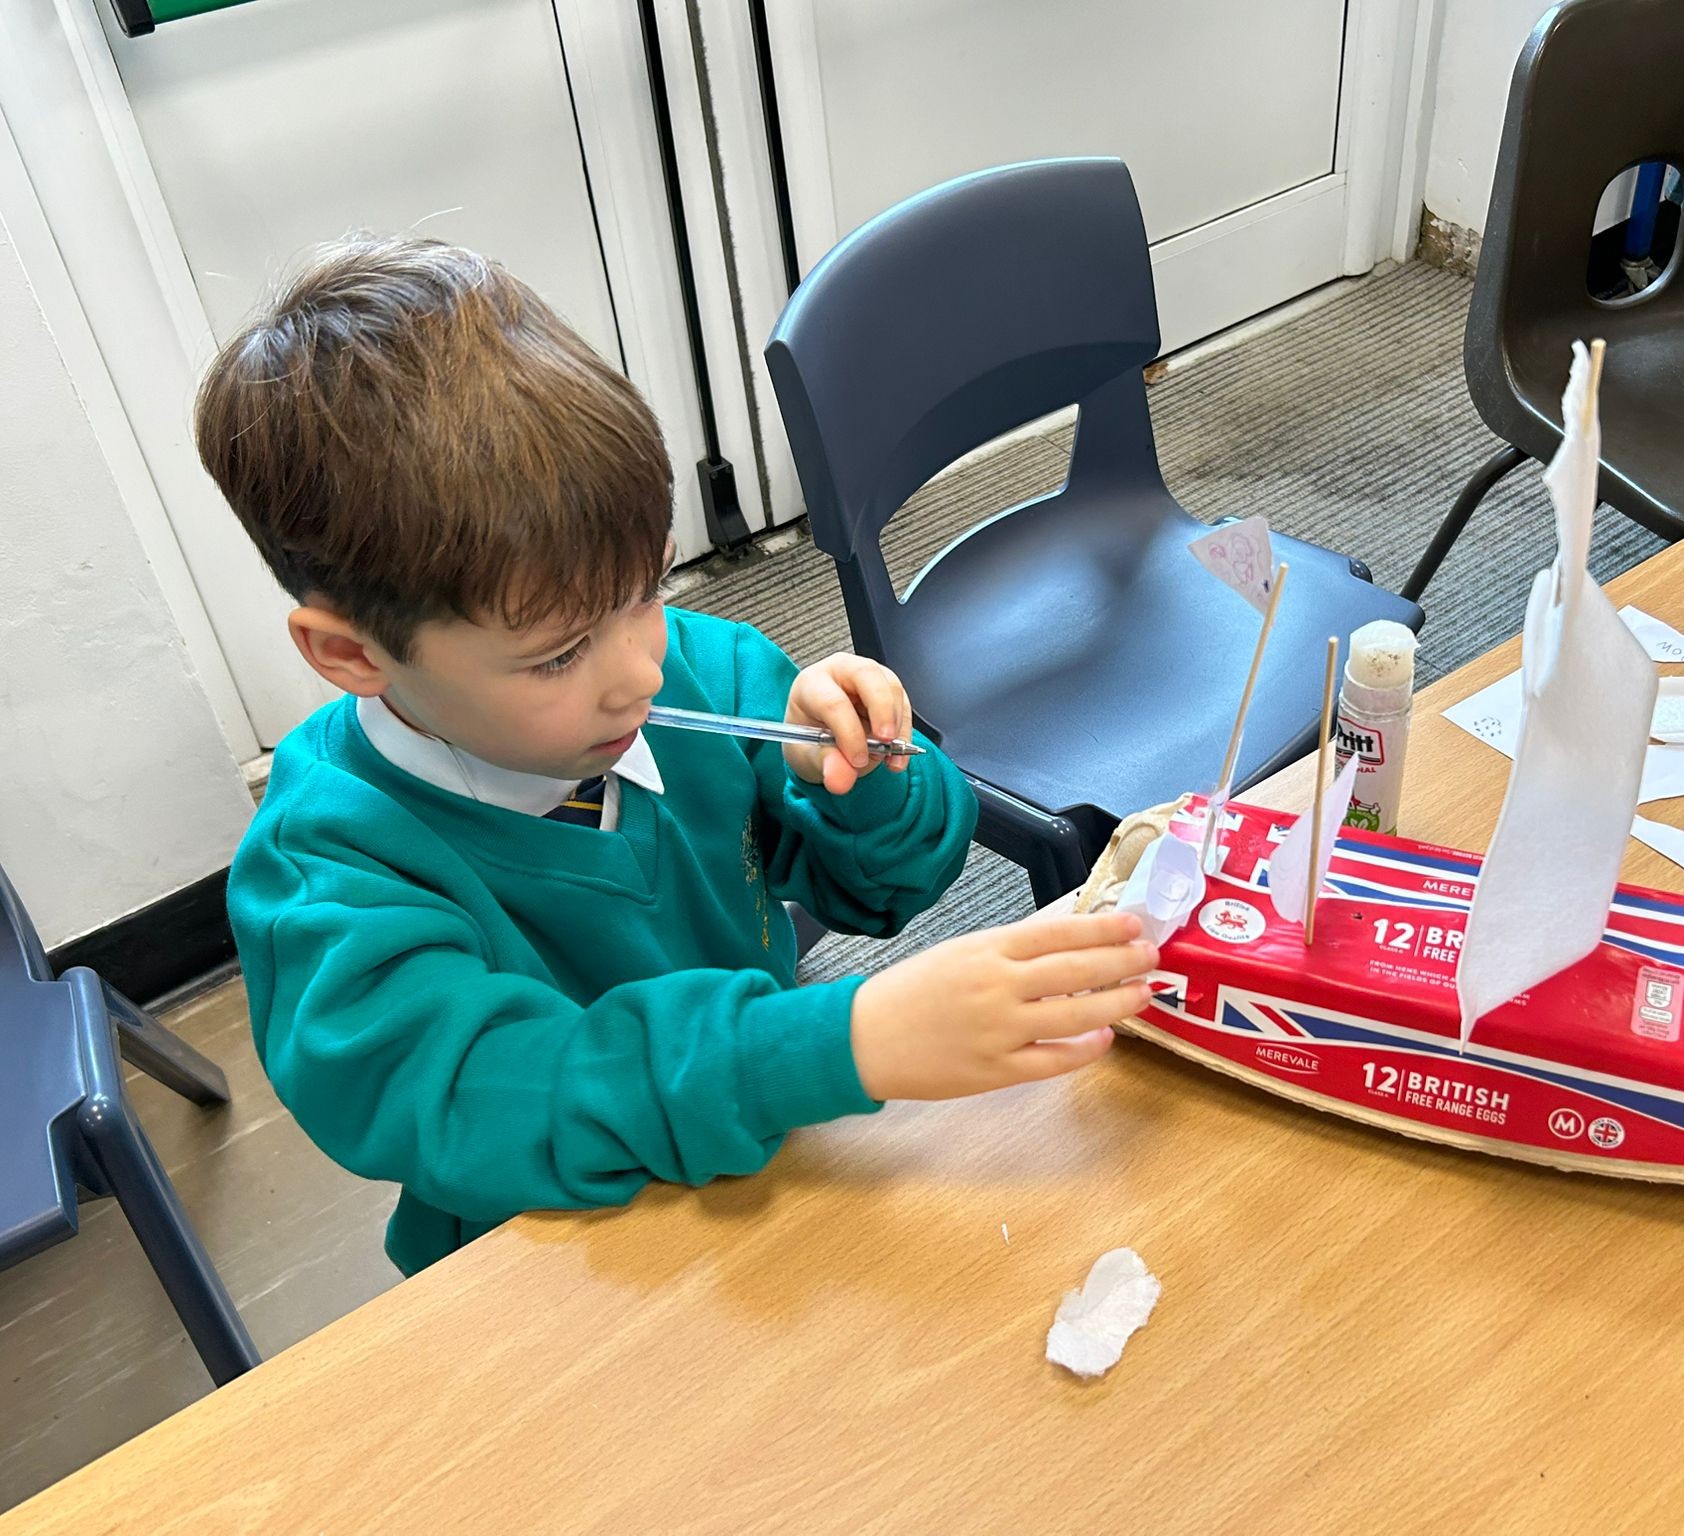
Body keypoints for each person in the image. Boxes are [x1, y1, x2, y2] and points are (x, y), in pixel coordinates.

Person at [196, 236, 1155, 1276]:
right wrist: (839, 1044)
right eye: (557, 652)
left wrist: (876, 783)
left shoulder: (705, 670)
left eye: (647, 589)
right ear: (350, 654)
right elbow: (501, 1100)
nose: (639, 673)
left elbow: (889, 887)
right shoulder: (325, 873)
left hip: (776, 1161)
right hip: (556, 1257)